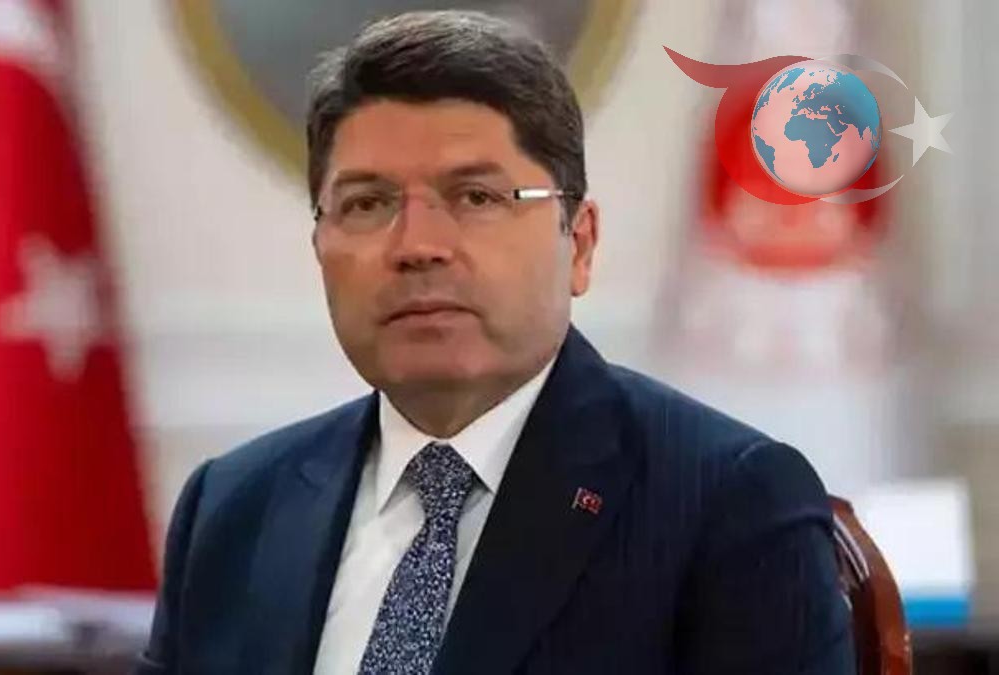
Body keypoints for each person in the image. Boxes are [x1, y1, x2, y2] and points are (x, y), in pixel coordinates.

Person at [137, 10, 854, 675]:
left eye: (476, 197)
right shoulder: (232, 508)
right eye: (367, 203)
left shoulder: (725, 503)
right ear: (319, 245)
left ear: (579, 244)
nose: (417, 245)